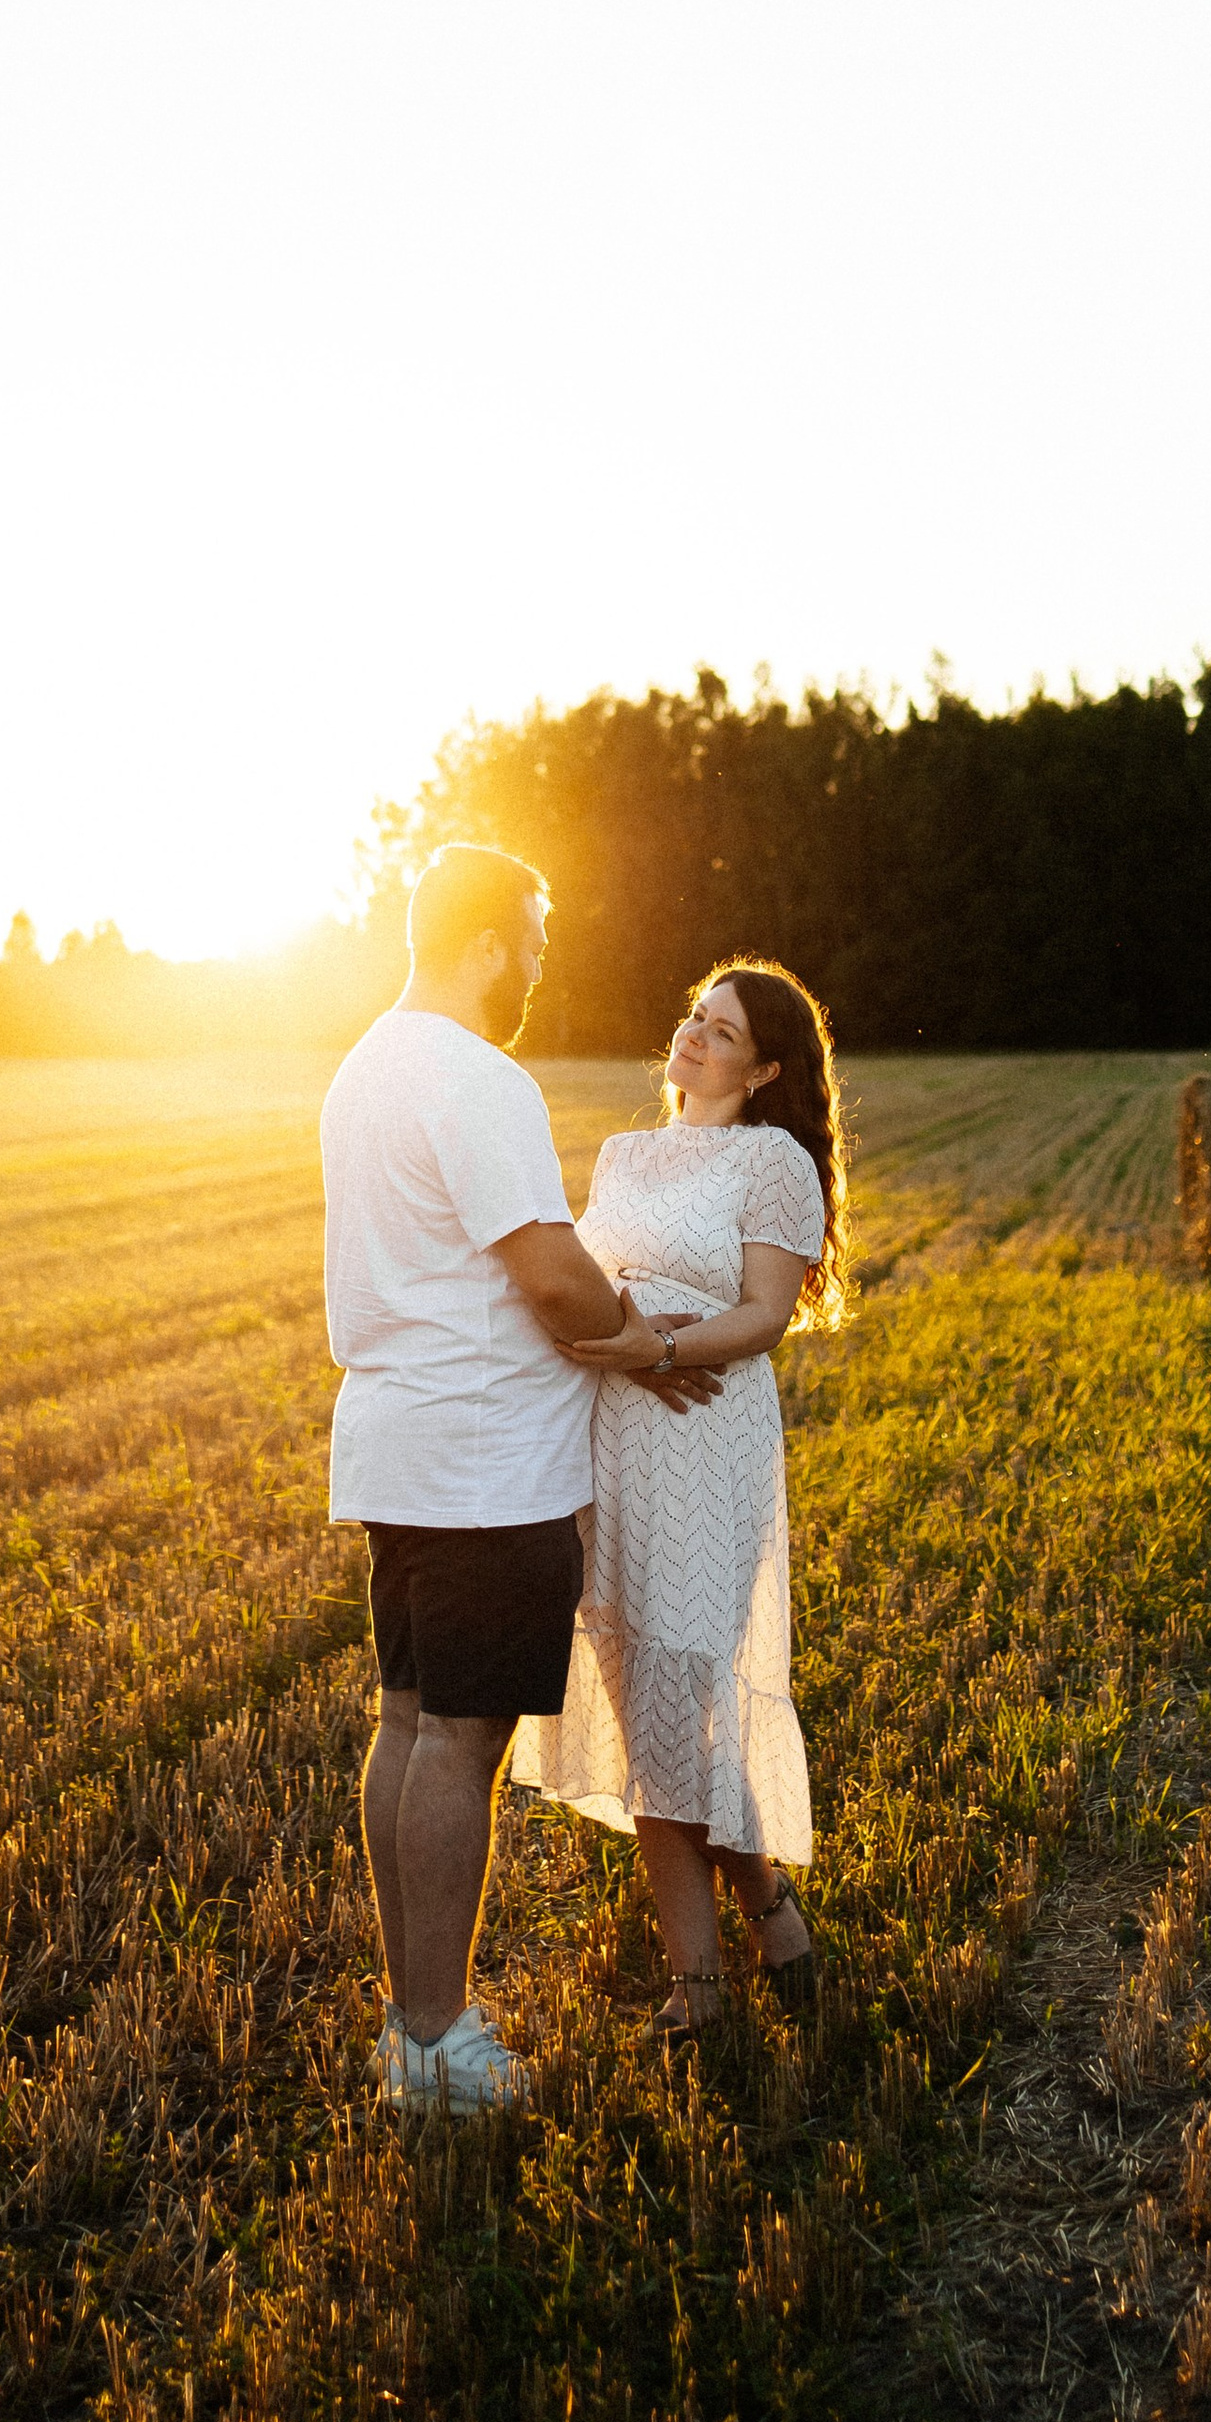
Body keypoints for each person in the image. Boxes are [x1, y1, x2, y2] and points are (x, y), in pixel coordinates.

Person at [320, 843, 712, 2114]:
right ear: (487, 942)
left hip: (401, 1444)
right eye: (533, 940)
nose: (539, 964)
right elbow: (547, 1273)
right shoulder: (474, 1075)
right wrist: (642, 1339)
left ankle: (410, 2029)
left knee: (408, 1723)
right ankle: (438, 2043)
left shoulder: (366, 1066)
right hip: (485, 1463)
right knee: (460, 1740)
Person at [514, 959, 847, 2029]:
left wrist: (655, 1349)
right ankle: (768, 1909)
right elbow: (583, 1287)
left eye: (724, 1031)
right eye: (696, 1017)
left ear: (765, 1071)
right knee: (644, 1698)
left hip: (706, 1438)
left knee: (682, 1696)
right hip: (605, 1441)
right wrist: (623, 1340)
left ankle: (697, 1988)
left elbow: (763, 1316)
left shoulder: (773, 1161)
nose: (694, 1036)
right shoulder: (622, 1154)